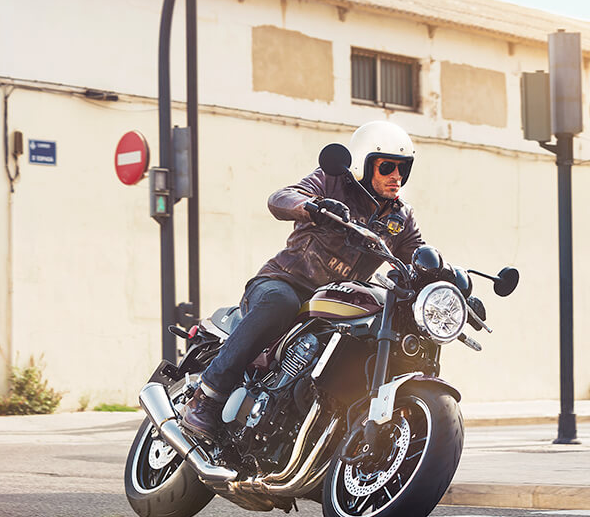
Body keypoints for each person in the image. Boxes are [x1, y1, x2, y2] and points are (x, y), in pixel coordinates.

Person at [181, 120, 427, 444]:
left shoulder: (400, 218)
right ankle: (205, 398)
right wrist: (313, 207)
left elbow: (418, 256)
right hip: (285, 282)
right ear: (364, 165)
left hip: (335, 303)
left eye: (402, 169)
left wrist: (443, 279)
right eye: (387, 167)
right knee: (279, 304)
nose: (396, 176)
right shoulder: (332, 181)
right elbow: (281, 198)